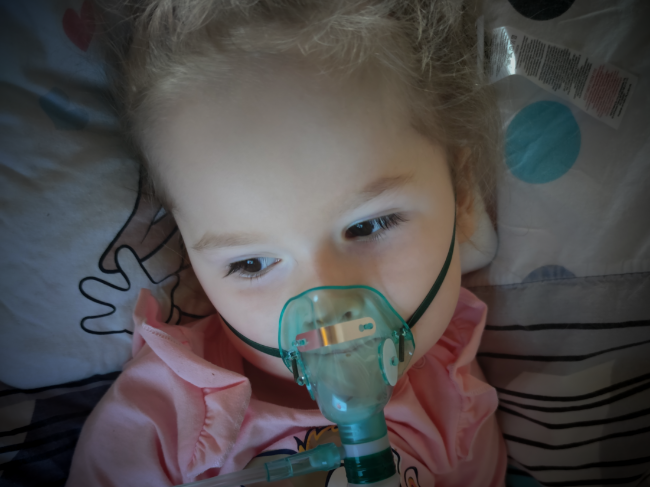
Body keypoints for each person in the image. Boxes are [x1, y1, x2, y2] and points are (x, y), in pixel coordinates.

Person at [67, 0, 507, 485]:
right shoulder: (155, 424)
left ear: (462, 196)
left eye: (368, 226)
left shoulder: (457, 411)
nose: (326, 305)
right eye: (252, 263)